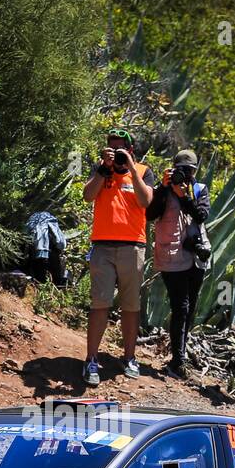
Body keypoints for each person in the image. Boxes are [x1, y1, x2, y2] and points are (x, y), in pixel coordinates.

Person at [81, 127, 155, 386]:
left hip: (133, 246)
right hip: (102, 246)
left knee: (130, 306)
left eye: (120, 147)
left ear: (131, 149)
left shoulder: (144, 171)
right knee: (100, 303)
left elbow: (146, 201)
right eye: (112, 147)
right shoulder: (101, 170)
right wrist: (104, 167)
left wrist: (131, 168)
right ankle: (91, 359)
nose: (116, 151)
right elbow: (88, 196)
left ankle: (129, 357)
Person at [146, 149, 210, 378]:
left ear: (195, 171)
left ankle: (179, 355)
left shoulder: (199, 189)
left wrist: (183, 196)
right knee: (180, 306)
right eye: (181, 170)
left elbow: (201, 215)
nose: (185, 174)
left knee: (190, 308)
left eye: (189, 170)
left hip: (195, 257)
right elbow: (150, 214)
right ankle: (178, 360)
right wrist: (164, 188)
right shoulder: (163, 190)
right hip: (171, 256)